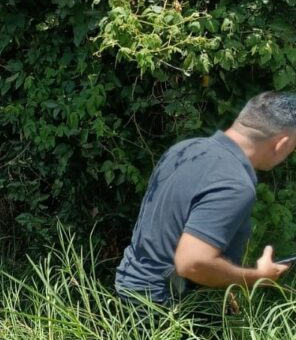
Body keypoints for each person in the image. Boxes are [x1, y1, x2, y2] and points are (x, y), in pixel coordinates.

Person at [115, 91, 296, 307]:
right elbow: (192, 262)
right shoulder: (235, 183)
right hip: (162, 307)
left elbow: (171, 230)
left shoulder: (187, 149)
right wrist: (256, 277)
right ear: (282, 143)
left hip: (131, 285)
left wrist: (221, 285)